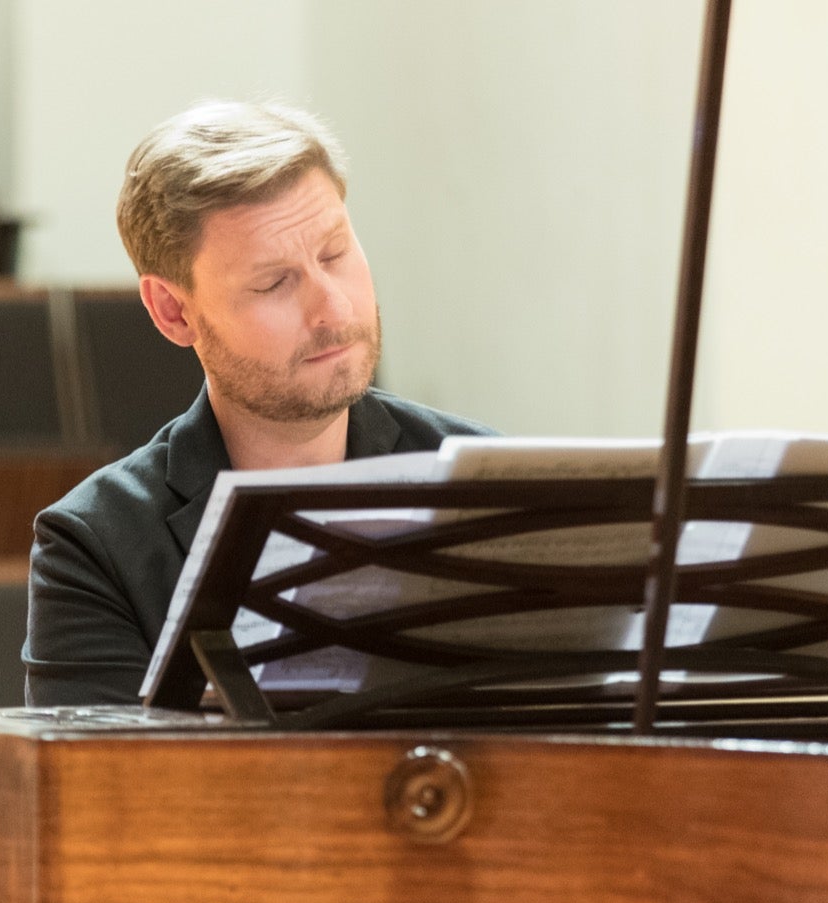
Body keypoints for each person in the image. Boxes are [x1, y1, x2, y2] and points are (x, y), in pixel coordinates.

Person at [24, 99, 493, 707]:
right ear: (173, 310)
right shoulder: (95, 546)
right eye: (274, 282)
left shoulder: (483, 475)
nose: (335, 309)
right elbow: (96, 796)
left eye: (334, 255)